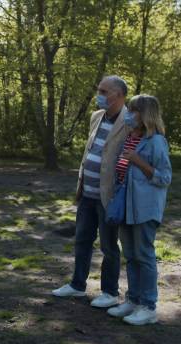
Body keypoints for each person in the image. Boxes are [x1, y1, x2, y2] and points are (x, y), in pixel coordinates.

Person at [52, 76, 131, 308]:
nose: (99, 94)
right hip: (87, 192)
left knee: (108, 246)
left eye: (104, 91)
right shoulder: (96, 116)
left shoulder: (129, 121)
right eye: (99, 90)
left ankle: (110, 292)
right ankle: (77, 285)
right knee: (82, 240)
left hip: (109, 196)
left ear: (118, 95)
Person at [106, 95, 172, 325]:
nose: (129, 114)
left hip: (144, 208)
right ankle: (132, 300)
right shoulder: (130, 138)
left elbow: (164, 177)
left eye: (133, 111)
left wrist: (138, 161)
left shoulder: (156, 142)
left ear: (145, 115)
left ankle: (148, 306)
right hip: (126, 206)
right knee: (131, 255)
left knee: (144, 256)